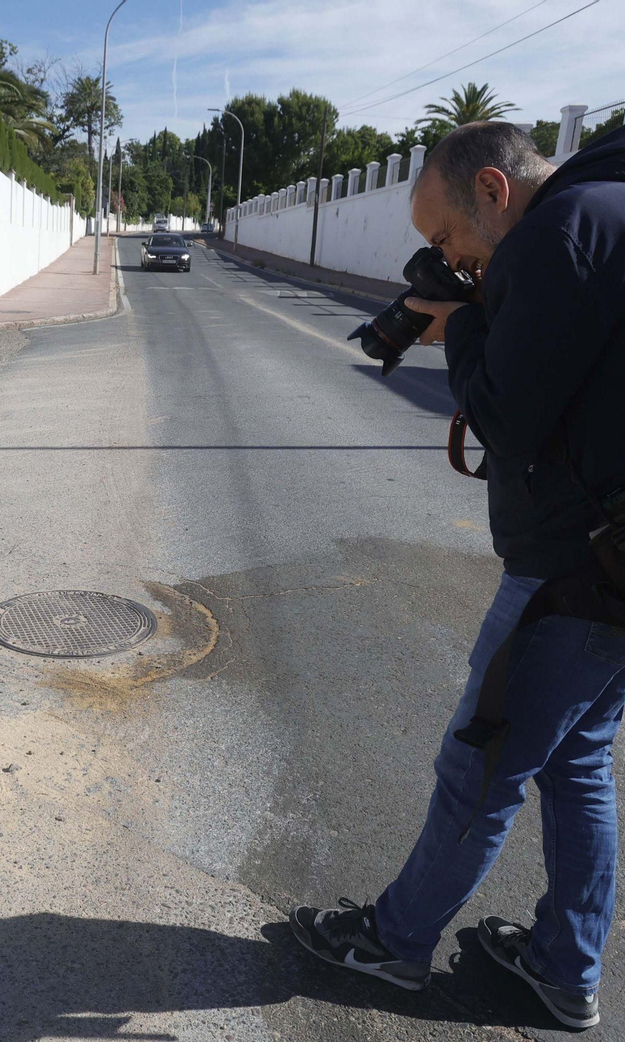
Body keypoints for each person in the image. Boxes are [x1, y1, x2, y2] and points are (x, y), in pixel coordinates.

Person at [289, 120, 625, 1031]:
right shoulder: (608, 208)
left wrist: (466, 325)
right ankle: (564, 967)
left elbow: (509, 420)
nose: (450, 259)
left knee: (482, 761)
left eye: (446, 237)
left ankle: (394, 943)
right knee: (578, 763)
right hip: (610, 561)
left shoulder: (562, 232)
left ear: (492, 188)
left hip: (572, 570)